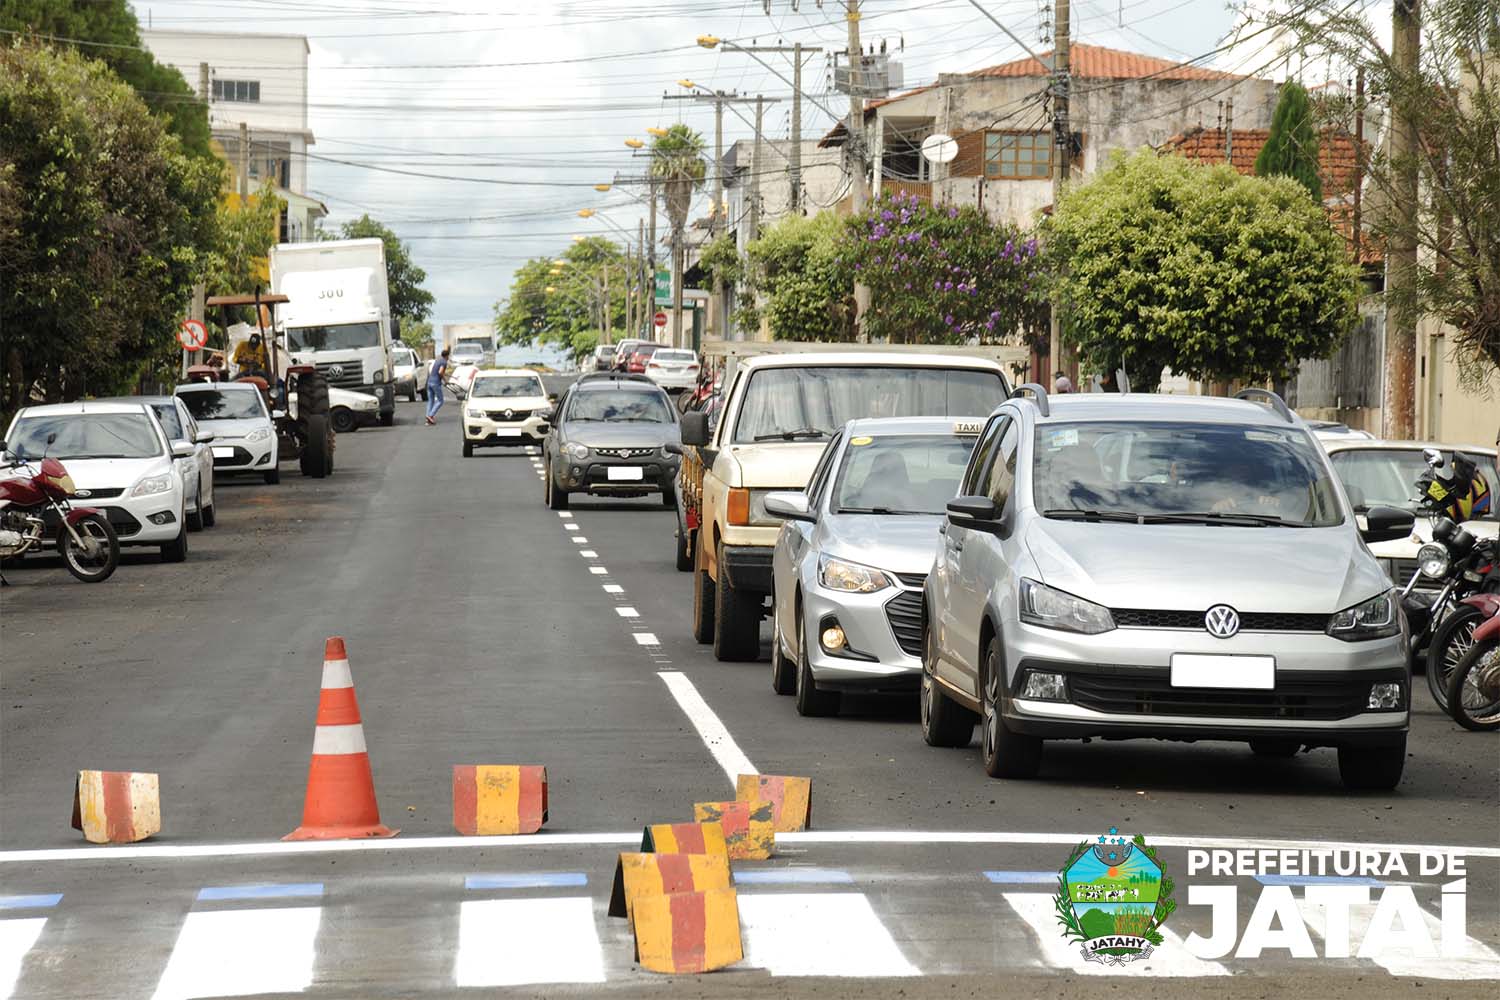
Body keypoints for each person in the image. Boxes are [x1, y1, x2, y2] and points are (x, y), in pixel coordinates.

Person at [425, 348, 450, 425]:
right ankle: (431, 415)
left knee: (431, 400)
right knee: (440, 400)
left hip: (429, 382)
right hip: (435, 383)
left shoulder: (438, 360)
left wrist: (444, 374)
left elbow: (435, 371)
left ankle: (428, 417)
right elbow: (440, 372)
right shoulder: (444, 362)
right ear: (446, 356)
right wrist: (445, 381)